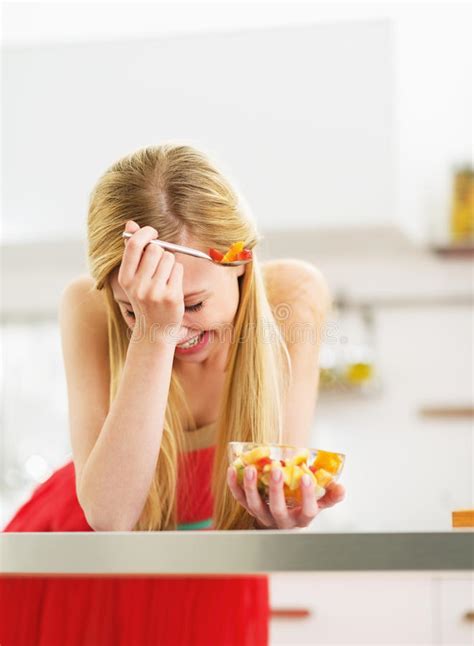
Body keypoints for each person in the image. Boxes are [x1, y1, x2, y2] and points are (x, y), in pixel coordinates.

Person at [0, 144, 345, 645]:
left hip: (212, 576)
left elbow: (280, 482)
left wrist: (289, 509)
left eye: (194, 303)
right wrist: (151, 335)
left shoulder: (293, 298)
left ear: (240, 262)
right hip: (79, 565)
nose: (176, 326)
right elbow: (111, 515)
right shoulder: (87, 306)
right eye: (133, 309)